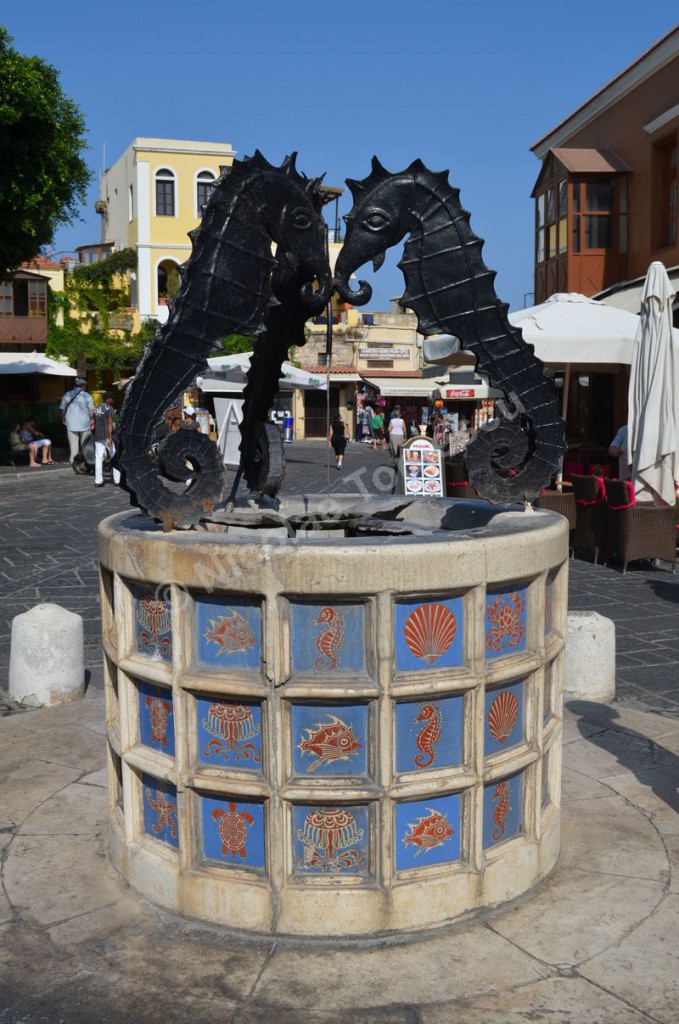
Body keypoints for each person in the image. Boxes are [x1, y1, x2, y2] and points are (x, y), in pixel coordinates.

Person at [60, 377, 94, 463]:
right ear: (83, 385)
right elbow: (91, 410)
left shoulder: (67, 395)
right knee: (85, 445)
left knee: (73, 445)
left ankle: (73, 461)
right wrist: (92, 419)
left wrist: (63, 418)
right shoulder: (87, 395)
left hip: (71, 423)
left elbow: (62, 409)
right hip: (85, 423)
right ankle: (84, 461)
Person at [92, 392, 121, 488]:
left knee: (98, 459)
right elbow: (110, 422)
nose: (113, 400)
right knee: (114, 456)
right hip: (107, 436)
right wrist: (110, 436)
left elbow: (93, 421)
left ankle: (98, 481)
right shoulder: (109, 408)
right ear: (108, 398)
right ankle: (117, 480)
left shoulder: (97, 408)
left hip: (98, 436)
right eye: (112, 398)